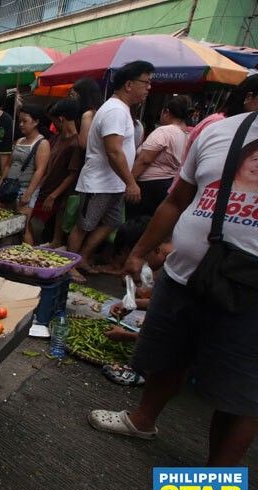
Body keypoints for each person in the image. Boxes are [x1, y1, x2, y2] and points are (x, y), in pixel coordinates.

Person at [88, 111, 258, 467]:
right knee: (166, 357)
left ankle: (215, 489)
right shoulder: (221, 131)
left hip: (249, 292)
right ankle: (142, 420)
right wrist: (137, 253)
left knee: (239, 395)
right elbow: (177, 200)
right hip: (183, 275)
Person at [66, 61, 153, 283]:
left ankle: (83, 258)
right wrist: (131, 182)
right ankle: (68, 265)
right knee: (84, 225)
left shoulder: (122, 110)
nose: (148, 88)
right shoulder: (115, 110)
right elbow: (113, 151)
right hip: (99, 182)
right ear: (129, 85)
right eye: (146, 82)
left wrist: (125, 182)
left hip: (113, 183)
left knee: (112, 222)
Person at [100, 216, 173, 387]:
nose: (138, 269)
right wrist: (131, 303)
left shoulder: (177, 268)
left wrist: (127, 336)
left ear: (152, 248)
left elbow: (174, 332)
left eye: (140, 262)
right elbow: (161, 302)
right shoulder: (170, 258)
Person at [127, 95, 192, 218]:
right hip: (168, 185)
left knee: (135, 223)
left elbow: (145, 160)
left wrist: (129, 182)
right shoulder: (187, 135)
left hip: (148, 186)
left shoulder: (164, 131)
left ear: (166, 112)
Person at [33, 99, 83, 248]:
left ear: (61, 118)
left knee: (39, 229)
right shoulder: (57, 138)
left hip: (57, 196)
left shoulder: (75, 143)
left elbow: (72, 175)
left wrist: (53, 196)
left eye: (54, 121)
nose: (53, 125)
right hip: (45, 190)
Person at [6, 104, 51, 244]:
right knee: (12, 224)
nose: (21, 124)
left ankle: (28, 258)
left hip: (25, 189)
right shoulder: (20, 141)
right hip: (11, 187)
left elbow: (40, 170)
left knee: (23, 227)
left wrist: (29, 193)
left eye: (25, 121)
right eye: (20, 121)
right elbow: (9, 164)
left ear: (36, 122)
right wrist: (2, 184)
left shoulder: (42, 143)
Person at [70, 77, 103, 149]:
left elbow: (83, 143)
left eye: (73, 95)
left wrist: (72, 130)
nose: (71, 99)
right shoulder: (98, 111)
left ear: (83, 95)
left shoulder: (88, 115)